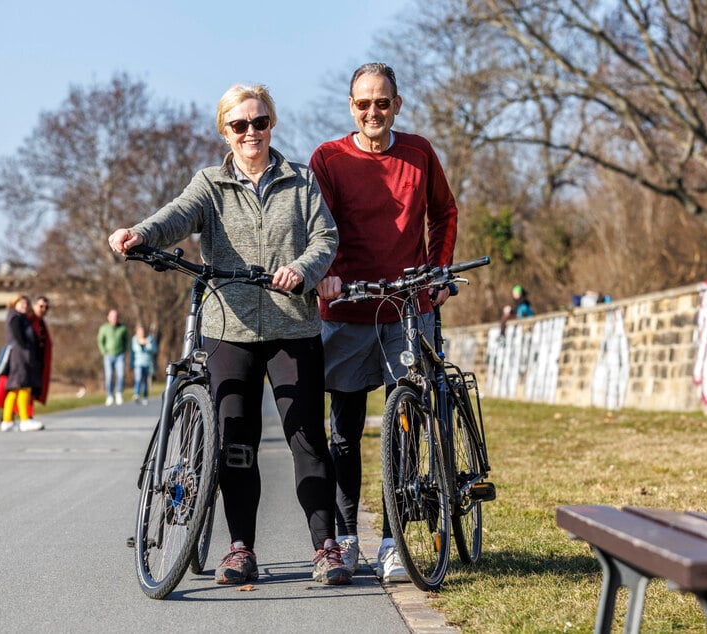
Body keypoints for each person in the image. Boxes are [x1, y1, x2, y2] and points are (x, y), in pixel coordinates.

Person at [108, 83, 350, 586]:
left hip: (291, 323)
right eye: (239, 125)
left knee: (306, 437)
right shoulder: (210, 185)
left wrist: (303, 271)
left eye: (259, 122)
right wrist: (139, 233)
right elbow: (176, 215)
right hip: (228, 328)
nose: (251, 133)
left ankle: (324, 548)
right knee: (236, 442)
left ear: (271, 124)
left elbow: (326, 238)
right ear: (225, 130)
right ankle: (241, 548)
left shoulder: (300, 182)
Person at [310, 62, 459, 582]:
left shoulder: (419, 153)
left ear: (397, 104)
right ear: (350, 106)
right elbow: (316, 227)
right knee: (344, 432)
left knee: (406, 421)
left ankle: (395, 541)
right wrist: (324, 273)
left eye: (382, 102)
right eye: (362, 103)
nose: (372, 111)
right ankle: (348, 536)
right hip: (347, 309)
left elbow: (444, 212)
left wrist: (438, 272)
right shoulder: (327, 159)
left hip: (408, 308)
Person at [0, 295, 44, 432]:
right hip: (20, 358)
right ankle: (24, 420)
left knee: (14, 389)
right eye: (22, 303)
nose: (25, 305)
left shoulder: (17, 317)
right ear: (14, 304)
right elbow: (20, 338)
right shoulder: (16, 318)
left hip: (19, 357)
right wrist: (29, 351)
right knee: (24, 387)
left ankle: (7, 421)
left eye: (26, 303)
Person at [27, 295, 53, 419]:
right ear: (34, 306)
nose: (43, 309)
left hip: (38, 362)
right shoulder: (29, 320)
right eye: (41, 306)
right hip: (28, 361)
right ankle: (23, 415)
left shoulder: (42, 323)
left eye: (46, 307)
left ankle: (27, 414)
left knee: (32, 391)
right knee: (25, 389)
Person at [97, 309, 129, 406]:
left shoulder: (123, 328)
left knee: (121, 374)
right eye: (112, 317)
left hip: (119, 355)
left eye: (116, 317)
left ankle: (118, 393)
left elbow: (127, 341)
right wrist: (104, 352)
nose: (114, 319)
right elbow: (100, 341)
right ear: (108, 318)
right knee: (109, 376)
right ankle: (109, 395)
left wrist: (124, 351)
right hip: (108, 355)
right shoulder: (104, 328)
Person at [130, 324, 157, 405]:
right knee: (138, 379)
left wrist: (147, 343)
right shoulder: (135, 339)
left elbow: (154, 349)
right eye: (139, 332)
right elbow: (135, 349)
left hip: (147, 363)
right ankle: (137, 395)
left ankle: (145, 397)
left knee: (145, 381)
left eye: (142, 331)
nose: (141, 333)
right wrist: (140, 343)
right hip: (138, 363)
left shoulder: (150, 339)